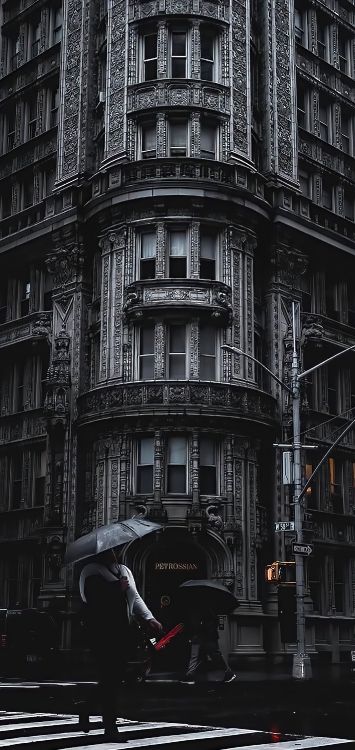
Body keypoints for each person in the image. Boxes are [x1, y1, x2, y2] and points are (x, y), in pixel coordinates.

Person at [78, 548, 162, 739]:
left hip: (124, 632)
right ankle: (110, 727)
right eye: (109, 551)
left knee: (114, 678)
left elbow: (136, 597)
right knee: (110, 677)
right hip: (101, 633)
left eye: (114, 551)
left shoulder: (124, 570)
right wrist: (117, 588)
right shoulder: (91, 572)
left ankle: (86, 707)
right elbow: (92, 600)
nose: (113, 554)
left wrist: (150, 618)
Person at [183, 606, 236, 684]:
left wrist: (200, 627)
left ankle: (229, 673)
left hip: (208, 638)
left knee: (215, 656)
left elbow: (209, 624)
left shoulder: (207, 611)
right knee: (197, 656)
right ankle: (190, 675)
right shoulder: (206, 610)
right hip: (202, 637)